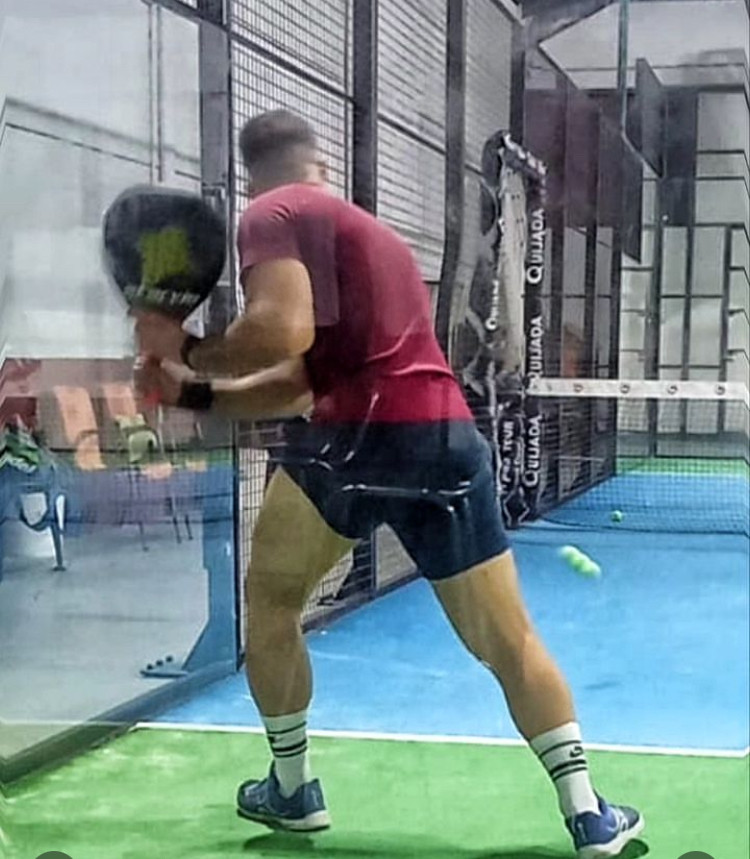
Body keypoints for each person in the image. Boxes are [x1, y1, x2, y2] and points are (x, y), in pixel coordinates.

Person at [134, 110, 643, 858]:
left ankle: (294, 786)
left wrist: (185, 349)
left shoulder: (271, 212)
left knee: (272, 602)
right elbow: (302, 379)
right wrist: (191, 391)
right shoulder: (376, 240)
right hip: (433, 438)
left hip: (345, 446)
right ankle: (587, 812)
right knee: (508, 641)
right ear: (322, 165)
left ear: (256, 175)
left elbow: (280, 332)